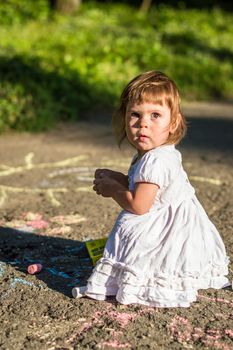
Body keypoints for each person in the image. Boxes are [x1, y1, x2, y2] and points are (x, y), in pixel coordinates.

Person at [72, 70, 229, 307]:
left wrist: (114, 189)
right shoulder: (154, 154)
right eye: (135, 114)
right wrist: (119, 179)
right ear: (124, 118)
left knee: (150, 262)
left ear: (173, 122)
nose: (143, 123)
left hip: (167, 232)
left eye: (155, 115)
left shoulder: (156, 160)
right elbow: (147, 189)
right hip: (176, 225)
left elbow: (140, 205)